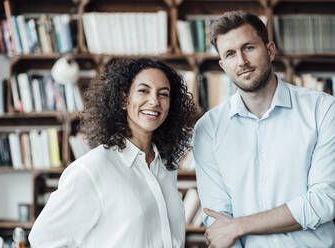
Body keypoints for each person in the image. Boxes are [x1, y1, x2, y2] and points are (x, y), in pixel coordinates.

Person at [193, 11, 335, 248]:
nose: (241, 61)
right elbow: (218, 220)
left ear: (270, 50)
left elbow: (324, 201)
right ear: (222, 65)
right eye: (230, 54)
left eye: (248, 48)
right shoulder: (208, 128)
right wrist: (230, 229)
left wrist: (240, 226)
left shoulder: (323, 110)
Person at [28, 58, 195, 247]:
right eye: (143, 91)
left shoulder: (165, 167)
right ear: (124, 99)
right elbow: (43, 240)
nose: (154, 101)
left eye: (163, 94)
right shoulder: (93, 168)